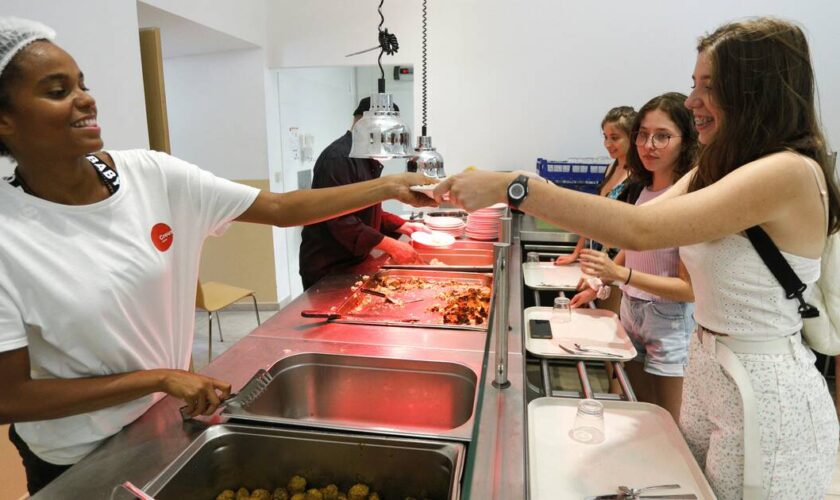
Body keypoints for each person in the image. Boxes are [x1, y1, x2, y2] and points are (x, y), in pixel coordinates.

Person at [0, 18, 435, 495]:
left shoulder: (152, 175)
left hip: (164, 416)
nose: (86, 99)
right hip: (77, 453)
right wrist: (161, 377)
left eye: (83, 84)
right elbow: (9, 397)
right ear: (6, 121)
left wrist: (393, 185)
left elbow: (281, 208)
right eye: (58, 91)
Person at [435, 17, 840, 500]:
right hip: (709, 368)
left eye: (709, 87)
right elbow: (630, 221)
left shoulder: (787, 172)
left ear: (755, 90)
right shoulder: (719, 167)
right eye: (694, 85)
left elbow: (639, 229)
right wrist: (520, 182)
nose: (692, 102)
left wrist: (514, 187)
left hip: (764, 389)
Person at [570, 93, 697, 422]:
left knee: (668, 421)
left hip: (668, 318)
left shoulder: (692, 197)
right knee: (632, 408)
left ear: (687, 140)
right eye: (643, 134)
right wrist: (603, 278)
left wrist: (620, 275)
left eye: (662, 136)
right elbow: (635, 244)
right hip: (632, 308)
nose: (648, 145)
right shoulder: (644, 188)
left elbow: (687, 288)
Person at [299, 97, 429, 290]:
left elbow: (367, 208)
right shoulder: (338, 157)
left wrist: (403, 225)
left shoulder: (365, 156)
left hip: (353, 261)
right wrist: (390, 245)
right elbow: (340, 219)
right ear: (364, 123)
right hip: (328, 265)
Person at [554, 106, 637, 265]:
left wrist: (610, 272)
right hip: (599, 259)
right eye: (605, 137)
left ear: (632, 137)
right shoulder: (610, 169)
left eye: (615, 137)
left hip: (618, 264)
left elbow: (631, 236)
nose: (607, 143)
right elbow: (594, 217)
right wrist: (575, 253)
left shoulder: (638, 178)